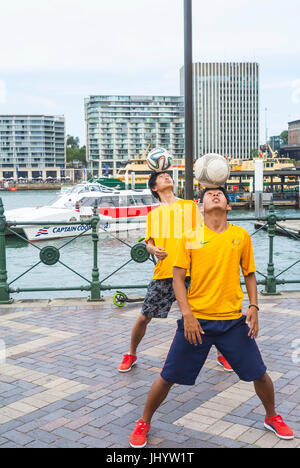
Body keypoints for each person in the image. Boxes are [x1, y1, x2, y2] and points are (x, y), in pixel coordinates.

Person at [129, 186, 294, 448]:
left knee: (260, 374)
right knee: (167, 376)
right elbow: (178, 278)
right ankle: (144, 422)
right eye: (209, 194)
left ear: (228, 206)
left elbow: (249, 273)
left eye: (221, 194)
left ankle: (272, 416)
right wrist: (187, 314)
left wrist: (254, 306)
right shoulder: (191, 237)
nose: (216, 195)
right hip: (196, 322)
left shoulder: (240, 236)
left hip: (232, 322)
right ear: (200, 205)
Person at [118, 173, 232, 373]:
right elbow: (149, 243)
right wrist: (154, 250)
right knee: (144, 316)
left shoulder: (189, 206)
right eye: (161, 177)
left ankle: (222, 355)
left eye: (168, 175)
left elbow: (201, 235)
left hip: (192, 270)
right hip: (164, 271)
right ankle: (131, 353)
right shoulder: (153, 214)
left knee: (207, 315)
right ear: (154, 188)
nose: (167, 177)